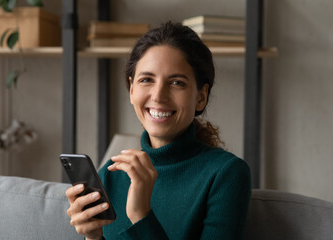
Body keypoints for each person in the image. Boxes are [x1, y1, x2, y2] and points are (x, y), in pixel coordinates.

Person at [65, 21, 251, 240]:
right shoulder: (110, 175)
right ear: (132, 89)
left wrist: (141, 215)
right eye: (146, 80)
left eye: (176, 83)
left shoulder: (227, 174)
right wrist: (92, 237)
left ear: (201, 96)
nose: (158, 95)